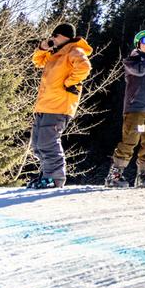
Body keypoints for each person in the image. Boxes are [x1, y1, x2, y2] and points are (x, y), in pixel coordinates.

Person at [27, 23, 93, 189]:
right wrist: (43, 47)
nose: (53, 38)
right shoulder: (56, 53)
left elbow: (84, 67)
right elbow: (37, 61)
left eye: (55, 35)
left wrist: (69, 82)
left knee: (48, 142)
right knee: (38, 144)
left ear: (65, 36)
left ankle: (55, 178)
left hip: (59, 105)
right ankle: (46, 174)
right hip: (45, 104)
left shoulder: (73, 51)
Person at [105, 29, 145, 188]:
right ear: (138, 44)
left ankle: (143, 175)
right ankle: (115, 174)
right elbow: (140, 71)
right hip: (136, 108)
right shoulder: (132, 60)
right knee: (130, 140)